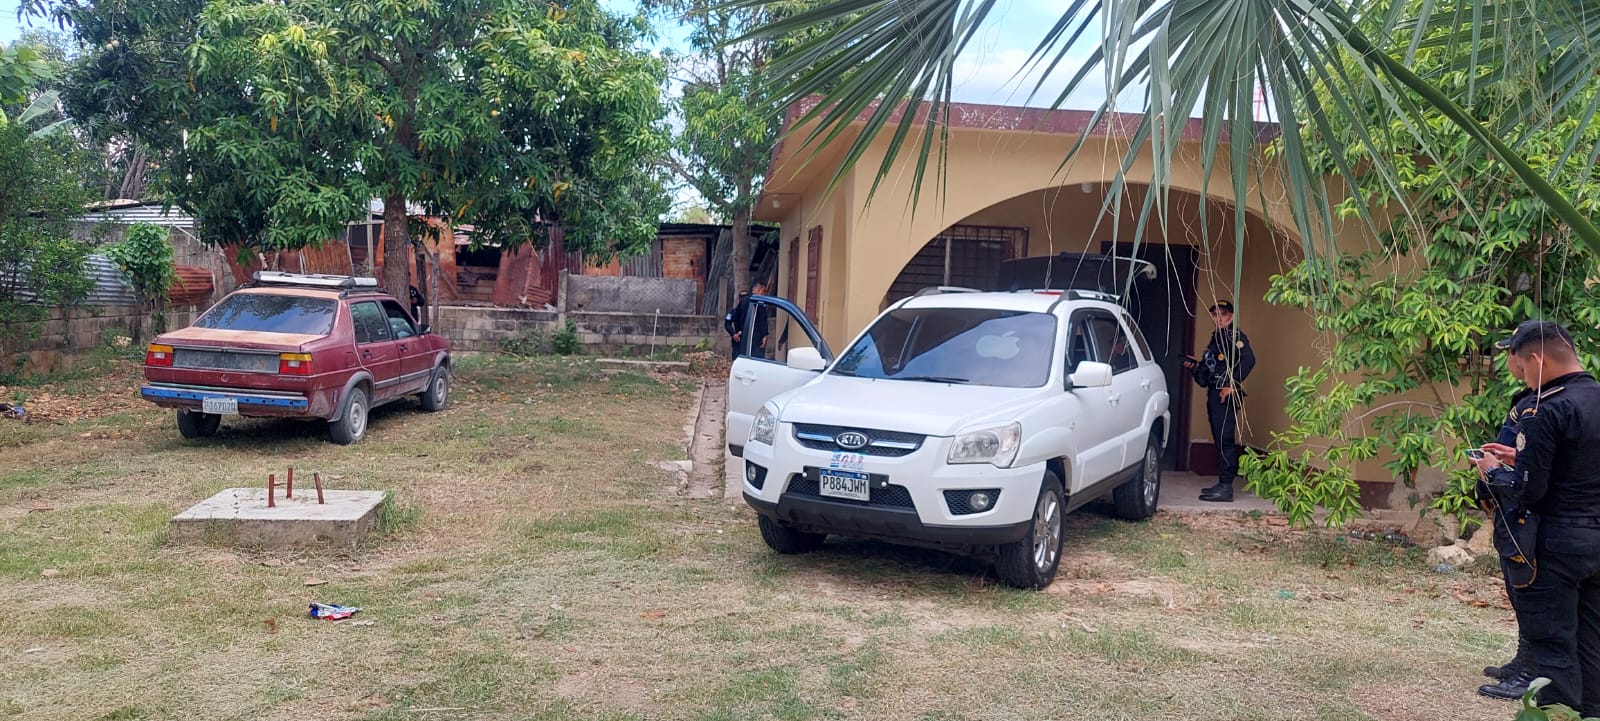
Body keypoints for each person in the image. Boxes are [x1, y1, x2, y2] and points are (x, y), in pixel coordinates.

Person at [1471, 320, 1600, 713]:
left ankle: (1556, 713)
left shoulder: (1547, 407)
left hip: (1556, 545)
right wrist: (1522, 457)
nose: (1523, 377)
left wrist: (1493, 470)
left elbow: (1531, 489)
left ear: (1538, 359)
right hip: (1595, 538)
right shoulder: (1594, 397)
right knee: (1590, 644)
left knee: (1552, 648)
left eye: (1523, 368)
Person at [1475, 339, 1539, 699]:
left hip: (1527, 510)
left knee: (1531, 591)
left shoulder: (1547, 404)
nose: (1508, 359)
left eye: (1511, 352)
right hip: (1508, 505)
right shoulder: (1525, 399)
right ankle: (1523, 659)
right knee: (1517, 591)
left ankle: (1532, 670)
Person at [1184, 300, 1255, 502]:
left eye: (1223, 314)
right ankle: (1222, 483)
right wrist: (1195, 366)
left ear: (1231, 316)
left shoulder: (1234, 336)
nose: (1219, 318)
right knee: (1219, 437)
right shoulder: (1217, 338)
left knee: (1225, 439)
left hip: (1226, 395)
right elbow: (1209, 372)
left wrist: (1231, 384)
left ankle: (1226, 486)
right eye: (1215, 315)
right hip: (1215, 393)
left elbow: (1249, 360)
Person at [724, 280, 770, 360]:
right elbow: (730, 322)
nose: (764, 294)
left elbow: (762, 320)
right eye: (764, 291)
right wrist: (735, 333)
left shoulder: (759, 303)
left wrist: (765, 335)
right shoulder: (747, 304)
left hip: (753, 340)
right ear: (756, 290)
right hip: (746, 340)